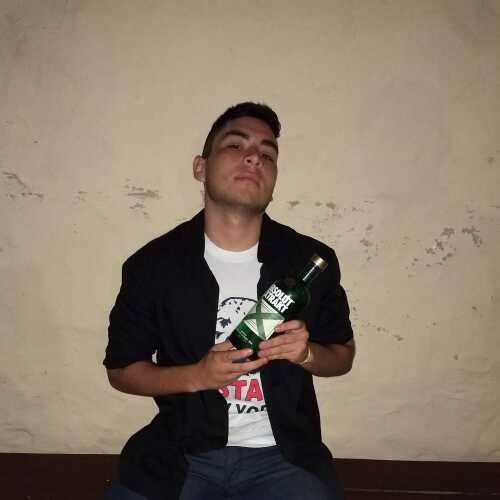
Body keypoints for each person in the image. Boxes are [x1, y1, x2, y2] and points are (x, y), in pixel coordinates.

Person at [103, 102, 355, 500]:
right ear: (200, 168)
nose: (254, 157)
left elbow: (342, 356)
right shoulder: (152, 265)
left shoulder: (311, 262)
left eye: (268, 154)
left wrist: (306, 354)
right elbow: (121, 370)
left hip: (284, 458)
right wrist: (197, 376)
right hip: (181, 453)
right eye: (235, 145)